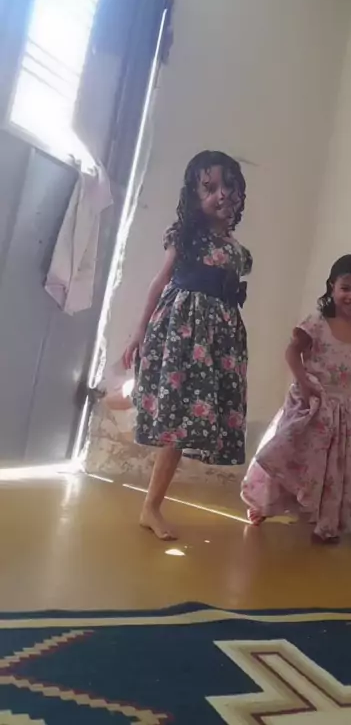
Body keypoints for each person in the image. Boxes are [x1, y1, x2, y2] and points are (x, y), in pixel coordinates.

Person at [123, 151, 251, 541]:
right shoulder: (187, 237)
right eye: (209, 188)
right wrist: (138, 331)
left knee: (186, 419)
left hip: (217, 343)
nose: (221, 194)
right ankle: (151, 506)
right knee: (175, 418)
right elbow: (160, 280)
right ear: (194, 196)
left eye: (229, 186)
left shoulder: (238, 251)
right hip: (182, 333)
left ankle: (151, 504)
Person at [241, 254, 351, 543]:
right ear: (332, 287)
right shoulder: (317, 324)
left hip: (343, 413)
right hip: (312, 404)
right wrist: (303, 381)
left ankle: (326, 524)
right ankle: (265, 503)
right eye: (346, 288)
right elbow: (292, 351)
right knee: (290, 455)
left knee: (332, 468)